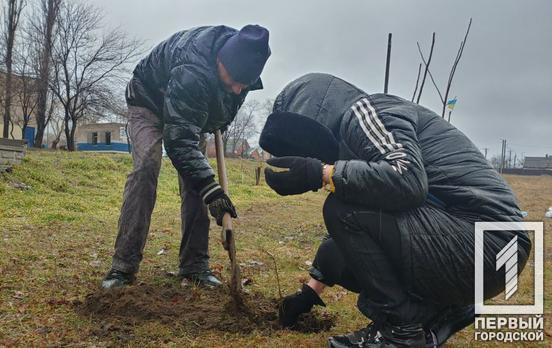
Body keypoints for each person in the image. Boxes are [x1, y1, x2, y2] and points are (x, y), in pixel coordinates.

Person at [259, 73, 531, 347]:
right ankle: (443, 310)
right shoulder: (362, 134)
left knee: (342, 209)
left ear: (312, 118)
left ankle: (401, 331)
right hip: (487, 252)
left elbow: (408, 180)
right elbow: (363, 229)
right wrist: (308, 293)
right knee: (334, 249)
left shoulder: (365, 112)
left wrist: (322, 173)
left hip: (488, 242)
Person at [102, 25, 271, 289]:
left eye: (244, 85)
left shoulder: (242, 69)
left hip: (192, 116)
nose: (238, 90)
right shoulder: (192, 68)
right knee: (147, 165)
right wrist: (212, 190)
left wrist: (218, 122)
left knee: (196, 183)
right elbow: (177, 140)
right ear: (220, 62)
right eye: (235, 80)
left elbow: (218, 110)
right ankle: (122, 266)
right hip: (149, 102)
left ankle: (194, 266)